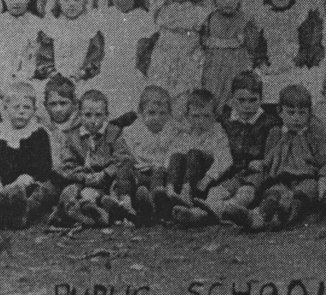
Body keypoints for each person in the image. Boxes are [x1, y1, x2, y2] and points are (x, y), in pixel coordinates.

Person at [223, 84, 326, 231]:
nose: (296, 118)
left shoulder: (313, 134)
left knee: (299, 197)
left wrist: (323, 176)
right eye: (291, 113)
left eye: (302, 113)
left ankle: (280, 218)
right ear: (280, 112)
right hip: (280, 179)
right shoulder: (276, 133)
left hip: (306, 179)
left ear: (310, 114)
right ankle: (257, 217)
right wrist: (263, 164)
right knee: (273, 194)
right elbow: (271, 156)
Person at [0, 81, 56, 229]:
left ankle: (21, 212)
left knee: (43, 192)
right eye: (16, 107)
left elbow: (43, 165)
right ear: (6, 109)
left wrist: (22, 181)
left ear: (34, 110)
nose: (21, 111)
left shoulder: (39, 133)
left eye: (27, 107)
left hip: (27, 183)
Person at [202, 72, 280, 220]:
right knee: (215, 192)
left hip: (258, 174)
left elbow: (274, 152)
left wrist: (263, 161)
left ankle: (230, 211)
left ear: (261, 99)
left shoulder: (269, 123)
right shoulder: (227, 121)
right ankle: (205, 212)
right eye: (241, 100)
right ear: (232, 99)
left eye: (252, 100)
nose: (247, 106)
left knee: (244, 193)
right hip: (235, 171)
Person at [53, 90, 136, 227]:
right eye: (88, 115)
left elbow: (122, 159)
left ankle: (110, 209)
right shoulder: (72, 137)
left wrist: (105, 173)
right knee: (72, 190)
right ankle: (86, 213)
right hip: (85, 180)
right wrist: (84, 177)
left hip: (107, 181)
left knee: (120, 179)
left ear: (106, 116)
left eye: (98, 115)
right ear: (79, 115)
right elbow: (68, 164)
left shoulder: (113, 133)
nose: (93, 121)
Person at [138, 0, 207, 110]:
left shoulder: (198, 11)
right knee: (160, 99)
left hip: (189, 61)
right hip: (163, 60)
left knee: (184, 101)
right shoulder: (161, 8)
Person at [253, 0, 323, 107]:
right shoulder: (263, 15)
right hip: (270, 69)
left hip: (295, 67)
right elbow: (259, 48)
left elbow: (308, 47)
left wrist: (292, 63)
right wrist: (262, 64)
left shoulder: (300, 13)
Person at [164, 89, 233, 226]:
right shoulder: (185, 135)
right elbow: (170, 157)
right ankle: (171, 192)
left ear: (214, 116)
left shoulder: (217, 134)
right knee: (176, 155)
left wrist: (207, 179)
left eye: (206, 116)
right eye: (195, 116)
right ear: (187, 116)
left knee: (194, 153)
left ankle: (186, 190)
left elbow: (225, 159)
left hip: (202, 182)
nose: (201, 121)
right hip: (183, 178)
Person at [200, 0, 265, 111]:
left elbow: (253, 45)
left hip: (237, 65)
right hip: (215, 67)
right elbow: (203, 40)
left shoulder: (244, 19)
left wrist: (246, 39)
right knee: (214, 95)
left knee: (235, 93)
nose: (227, 1)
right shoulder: (210, 19)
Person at [95, 0, 151, 118]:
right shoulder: (106, 15)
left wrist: (140, 71)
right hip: (110, 70)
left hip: (133, 72)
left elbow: (145, 51)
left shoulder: (143, 17)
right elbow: (99, 48)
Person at [36, 0, 104, 85]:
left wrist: (79, 76)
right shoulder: (50, 25)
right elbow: (43, 58)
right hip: (54, 80)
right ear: (58, 0)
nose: (72, 3)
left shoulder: (90, 27)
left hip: (82, 80)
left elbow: (94, 60)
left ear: (85, 0)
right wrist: (55, 76)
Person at [123, 85, 177, 223]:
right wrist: (138, 163)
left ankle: (155, 203)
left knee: (159, 175)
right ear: (141, 113)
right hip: (140, 171)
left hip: (160, 174)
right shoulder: (133, 132)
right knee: (126, 172)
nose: (157, 118)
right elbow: (129, 151)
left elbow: (173, 154)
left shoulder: (171, 132)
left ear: (169, 114)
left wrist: (155, 165)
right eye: (151, 113)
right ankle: (131, 203)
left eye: (162, 113)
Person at [42, 74, 80, 167]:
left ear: (74, 103)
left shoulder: (81, 126)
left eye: (63, 103)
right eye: (52, 104)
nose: (58, 109)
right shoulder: (42, 127)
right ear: (45, 105)